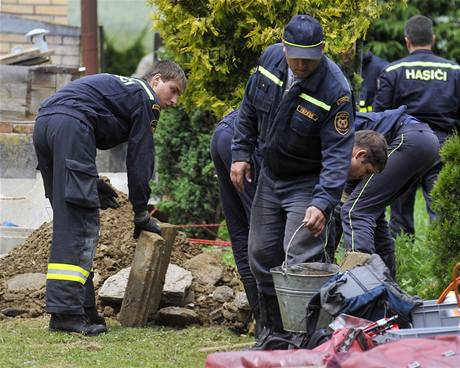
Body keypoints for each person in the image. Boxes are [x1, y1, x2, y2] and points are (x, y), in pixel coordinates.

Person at [33, 60, 187, 336]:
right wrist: (141, 213)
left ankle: (82, 309)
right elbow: (140, 159)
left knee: (70, 218)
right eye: (173, 90)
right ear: (156, 81)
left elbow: (84, 112)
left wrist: (92, 183)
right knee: (80, 223)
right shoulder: (144, 98)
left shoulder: (122, 88)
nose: (174, 100)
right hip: (70, 125)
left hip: (45, 125)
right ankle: (66, 315)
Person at [231, 14, 355, 350]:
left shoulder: (336, 90)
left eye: (309, 59)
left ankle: (303, 339)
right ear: (283, 47)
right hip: (271, 176)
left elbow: (338, 153)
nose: (300, 65)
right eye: (295, 56)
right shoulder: (270, 60)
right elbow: (248, 110)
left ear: (322, 51)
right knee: (260, 253)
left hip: (307, 182)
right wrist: (240, 152)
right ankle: (272, 332)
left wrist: (323, 201)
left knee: (299, 256)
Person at [373, 15, 460, 237]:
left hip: (405, 143)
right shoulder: (454, 71)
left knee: (400, 211)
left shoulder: (393, 71)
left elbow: (380, 115)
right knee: (441, 209)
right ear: (433, 38)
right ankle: (444, 264)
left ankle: (401, 257)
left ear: (406, 41)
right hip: (443, 145)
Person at [340, 107, 439, 277]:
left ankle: (361, 282)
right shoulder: (350, 138)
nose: (365, 175)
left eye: (368, 171)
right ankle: (387, 285)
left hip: (410, 138)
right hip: (426, 140)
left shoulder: (341, 129)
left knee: (356, 211)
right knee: (372, 214)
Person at [210, 109, 262, 336]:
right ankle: (269, 322)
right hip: (245, 139)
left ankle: (262, 320)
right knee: (262, 228)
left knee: (241, 230)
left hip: (224, 132)